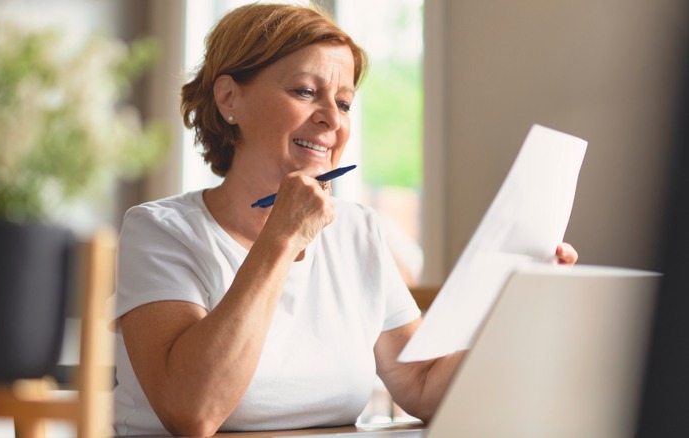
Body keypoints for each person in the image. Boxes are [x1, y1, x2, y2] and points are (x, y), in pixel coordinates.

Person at [111, 3, 579, 436]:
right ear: (230, 99)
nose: (331, 121)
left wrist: (518, 302)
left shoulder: (359, 231)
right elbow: (193, 410)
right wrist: (283, 236)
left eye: (344, 103)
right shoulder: (160, 231)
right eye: (305, 92)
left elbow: (420, 382)